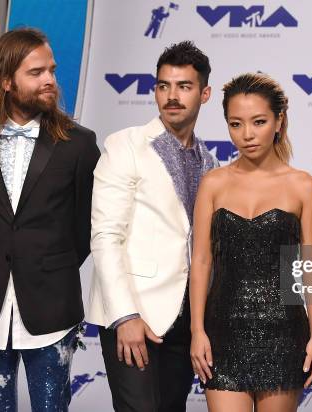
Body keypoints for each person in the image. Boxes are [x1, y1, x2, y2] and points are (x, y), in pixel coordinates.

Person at [0, 28, 100, 411]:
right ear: (5, 81)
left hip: (53, 308)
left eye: (51, 70)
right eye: (36, 72)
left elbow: (86, 227)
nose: (49, 80)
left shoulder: (80, 144)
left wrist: (47, 264)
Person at [87, 41, 217, 412]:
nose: (171, 96)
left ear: (204, 94)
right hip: (134, 313)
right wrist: (125, 316)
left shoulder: (208, 159)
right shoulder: (125, 145)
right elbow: (106, 237)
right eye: (163, 86)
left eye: (184, 87)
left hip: (185, 320)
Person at [189, 73, 312, 412]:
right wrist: (197, 331)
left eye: (258, 122)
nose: (246, 135)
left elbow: (310, 269)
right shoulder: (213, 183)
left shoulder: (303, 185)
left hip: (284, 332)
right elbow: (201, 262)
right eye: (235, 124)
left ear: (279, 121)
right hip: (222, 332)